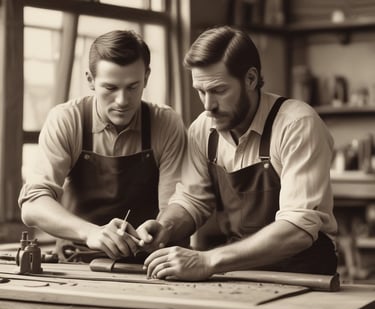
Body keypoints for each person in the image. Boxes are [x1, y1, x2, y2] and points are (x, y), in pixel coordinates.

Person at [136, 26, 338, 280]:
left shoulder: (296, 124)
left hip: (302, 274)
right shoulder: (203, 129)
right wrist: (166, 227)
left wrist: (208, 259)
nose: (209, 106)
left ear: (251, 79)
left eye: (219, 90)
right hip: (240, 271)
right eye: (201, 91)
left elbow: (298, 229)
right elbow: (193, 200)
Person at [18, 30, 187, 262]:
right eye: (110, 88)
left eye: (132, 87)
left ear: (146, 78)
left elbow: (175, 205)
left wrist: (162, 227)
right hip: (78, 263)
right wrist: (91, 232)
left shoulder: (166, 123)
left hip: (147, 264)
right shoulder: (67, 120)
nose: (122, 101)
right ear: (90, 80)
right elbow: (33, 204)